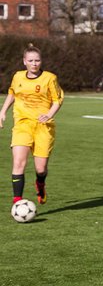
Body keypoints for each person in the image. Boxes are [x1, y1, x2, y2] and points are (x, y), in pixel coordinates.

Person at [1, 44, 63, 205]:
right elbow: (12, 94)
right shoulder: (18, 76)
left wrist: (49, 114)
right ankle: (17, 201)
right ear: (24, 62)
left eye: (37, 60)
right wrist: (2, 112)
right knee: (18, 162)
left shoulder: (50, 78)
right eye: (31, 60)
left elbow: (57, 100)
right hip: (22, 124)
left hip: (43, 126)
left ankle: (40, 183)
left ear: (41, 61)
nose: (34, 64)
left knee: (41, 169)